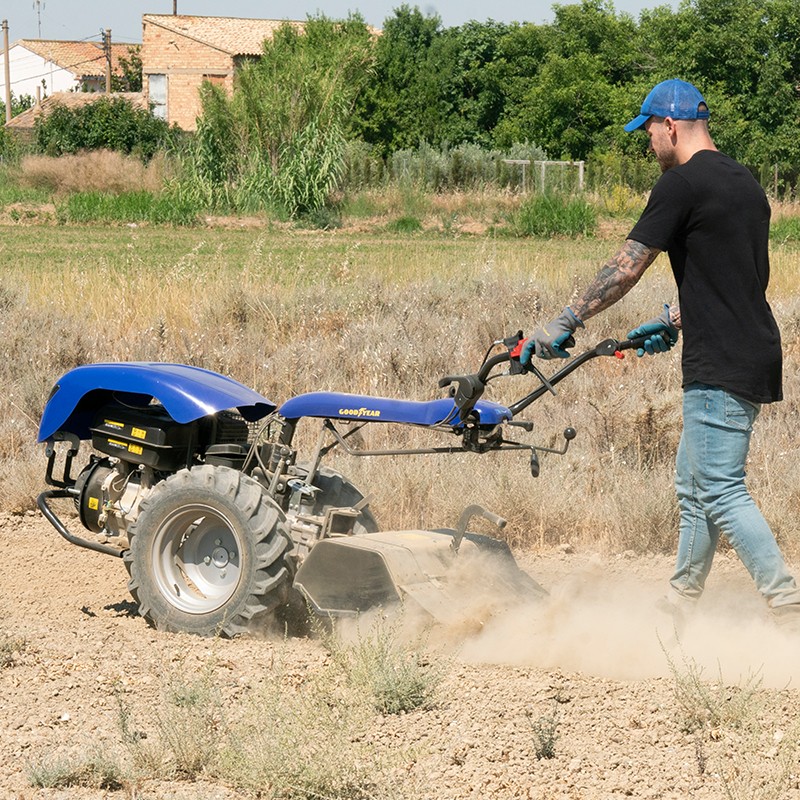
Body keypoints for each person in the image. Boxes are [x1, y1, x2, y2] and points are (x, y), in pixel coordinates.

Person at [522, 78, 800, 629]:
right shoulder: (745, 182)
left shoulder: (680, 184)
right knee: (694, 487)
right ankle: (678, 606)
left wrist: (566, 321)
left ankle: (788, 606)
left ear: (670, 125)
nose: (648, 141)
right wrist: (675, 318)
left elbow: (627, 266)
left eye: (648, 130)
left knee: (720, 488)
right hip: (751, 348)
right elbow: (735, 277)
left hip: (720, 361)